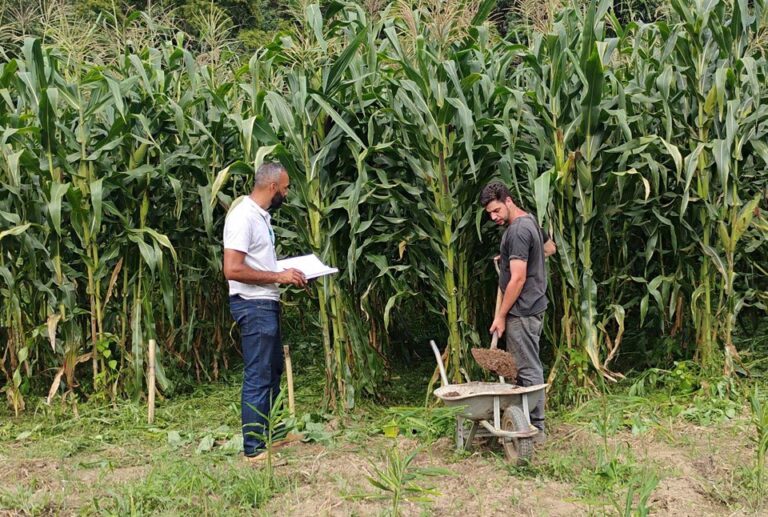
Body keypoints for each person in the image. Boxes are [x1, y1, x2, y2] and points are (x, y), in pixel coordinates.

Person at [223, 162, 306, 462]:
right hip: (253, 305)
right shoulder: (242, 217)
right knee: (258, 374)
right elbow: (232, 270)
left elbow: (258, 264)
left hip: (265, 303)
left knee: (272, 371)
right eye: (284, 188)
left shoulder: (261, 218)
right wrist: (278, 277)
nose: (286, 193)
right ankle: (254, 449)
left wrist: (287, 272)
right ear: (272, 187)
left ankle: (270, 434)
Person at [480, 181, 553, 443]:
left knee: (527, 369)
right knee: (526, 366)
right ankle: (526, 423)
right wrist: (513, 257)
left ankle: (535, 430)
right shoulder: (530, 221)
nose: (494, 217)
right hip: (534, 307)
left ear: (508, 200)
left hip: (522, 311)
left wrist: (500, 315)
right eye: (490, 213)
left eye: (497, 210)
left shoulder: (517, 232)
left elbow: (518, 280)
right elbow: (549, 248)